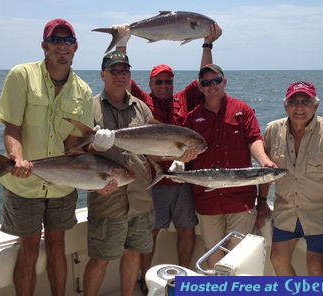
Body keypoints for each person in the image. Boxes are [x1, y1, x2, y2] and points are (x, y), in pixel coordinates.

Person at [0, 18, 115, 296]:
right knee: (30, 248)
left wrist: (97, 176)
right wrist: (17, 159)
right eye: (56, 41)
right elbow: (12, 127)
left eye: (67, 41)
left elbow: (73, 147)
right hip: (24, 185)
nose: (62, 47)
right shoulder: (21, 75)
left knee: (58, 245)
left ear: (76, 47)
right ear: (44, 46)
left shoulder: (82, 91)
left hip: (61, 186)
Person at [114, 23, 222, 291]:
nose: (164, 85)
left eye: (168, 80)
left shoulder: (184, 99)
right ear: (150, 84)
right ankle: (145, 277)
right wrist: (123, 42)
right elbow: (123, 77)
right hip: (154, 182)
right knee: (152, 232)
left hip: (182, 179)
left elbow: (204, 77)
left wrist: (207, 44)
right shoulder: (141, 100)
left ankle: (183, 276)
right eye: (159, 81)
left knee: (186, 229)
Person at [183, 64, 275, 268]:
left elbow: (254, 139)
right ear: (200, 87)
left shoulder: (243, 110)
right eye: (206, 83)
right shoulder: (192, 118)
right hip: (207, 199)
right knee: (213, 253)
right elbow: (184, 154)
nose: (212, 86)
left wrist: (264, 161)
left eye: (216, 81)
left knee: (238, 256)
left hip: (240, 198)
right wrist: (180, 158)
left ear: (224, 82)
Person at [257, 81, 323, 276]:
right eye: (293, 102)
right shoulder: (273, 130)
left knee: (315, 265)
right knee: (277, 258)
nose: (299, 107)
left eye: (305, 102)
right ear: (285, 105)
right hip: (287, 212)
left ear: (315, 105)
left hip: (322, 214)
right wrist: (262, 202)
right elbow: (266, 172)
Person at [82, 51, 156, 296]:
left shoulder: (141, 108)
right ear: (103, 75)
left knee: (133, 253)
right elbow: (77, 152)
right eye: (114, 71)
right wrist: (95, 146)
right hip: (107, 198)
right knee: (100, 259)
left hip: (140, 198)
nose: (120, 76)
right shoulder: (89, 107)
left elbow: (153, 147)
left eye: (125, 71)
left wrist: (176, 157)